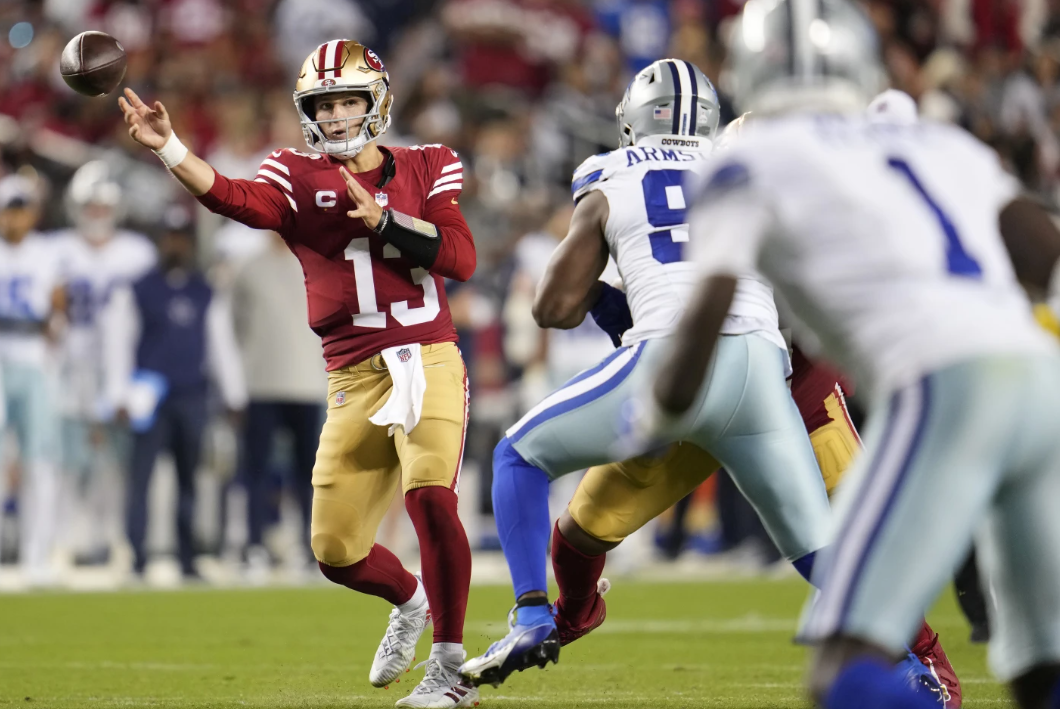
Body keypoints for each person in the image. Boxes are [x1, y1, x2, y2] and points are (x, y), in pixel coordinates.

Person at [648, 2, 1060, 707]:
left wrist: (662, 407)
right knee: (1038, 667)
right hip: (1037, 376)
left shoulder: (748, 156)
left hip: (945, 381)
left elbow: (711, 303)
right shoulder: (940, 143)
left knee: (846, 667)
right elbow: (1043, 254)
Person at [118, 39, 478, 708]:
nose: (338, 115)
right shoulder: (294, 172)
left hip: (425, 355)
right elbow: (233, 199)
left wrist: (389, 221)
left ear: (378, 101)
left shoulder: (430, 163)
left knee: (430, 494)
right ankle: (411, 599)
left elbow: (460, 256)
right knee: (335, 550)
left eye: (348, 100)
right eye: (324, 104)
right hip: (350, 376)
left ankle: (452, 671)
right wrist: (170, 149)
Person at [460, 59, 835, 689]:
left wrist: (609, 292)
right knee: (828, 561)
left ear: (632, 121)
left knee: (515, 459)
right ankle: (921, 675)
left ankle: (531, 615)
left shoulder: (609, 174)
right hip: (763, 370)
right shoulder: (747, 166)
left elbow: (553, 307)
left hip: (671, 359)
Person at [103, 206, 246, 581]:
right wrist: (118, 394)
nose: (176, 244)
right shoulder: (140, 287)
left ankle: (187, 557)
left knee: (189, 481)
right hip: (148, 396)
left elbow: (220, 346)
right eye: (170, 237)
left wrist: (234, 395)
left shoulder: (204, 290)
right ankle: (135, 557)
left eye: (182, 237)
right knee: (141, 479)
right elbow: (121, 343)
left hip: (191, 394)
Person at [53, 160, 156, 567]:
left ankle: (115, 537)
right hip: (68, 366)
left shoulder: (138, 253)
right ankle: (66, 539)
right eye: (90, 207)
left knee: (117, 462)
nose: (97, 215)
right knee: (68, 460)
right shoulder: (56, 250)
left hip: (122, 368)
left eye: (103, 207)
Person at [231, 231, 327, 580]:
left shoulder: (319, 262)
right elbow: (236, 325)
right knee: (256, 471)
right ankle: (254, 546)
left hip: (308, 384)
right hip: (263, 384)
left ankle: (310, 547)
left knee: (311, 475)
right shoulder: (249, 268)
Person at [0, 175, 65, 586]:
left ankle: (35, 556)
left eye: (22, 209)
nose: (16, 217)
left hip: (35, 360)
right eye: (11, 209)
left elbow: (58, 310)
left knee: (41, 463)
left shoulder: (47, 252)